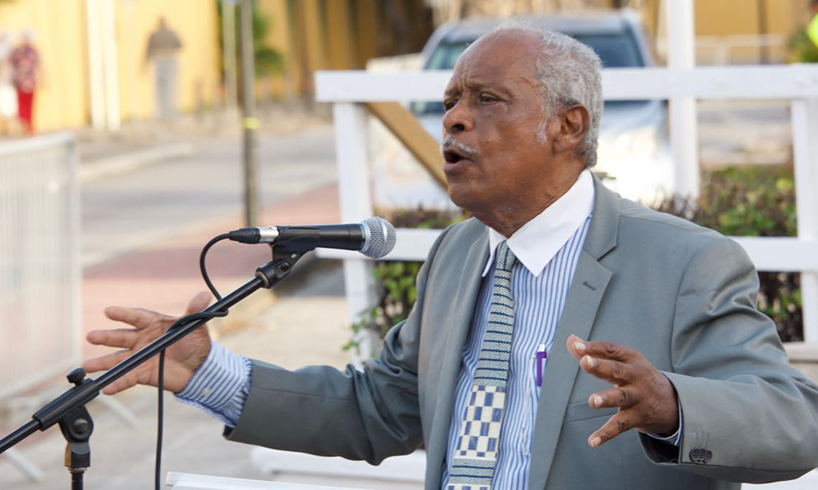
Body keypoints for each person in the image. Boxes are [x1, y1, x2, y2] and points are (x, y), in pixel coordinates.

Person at [82, 24, 818, 489]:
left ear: (569, 126)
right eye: (451, 99)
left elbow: (793, 422)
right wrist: (205, 372)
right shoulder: (459, 255)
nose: (455, 117)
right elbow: (381, 409)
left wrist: (673, 408)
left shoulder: (685, 263)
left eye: (488, 99)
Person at [144, 17, 183, 120]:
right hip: (167, 60)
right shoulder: (171, 33)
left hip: (161, 60)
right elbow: (180, 45)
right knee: (168, 87)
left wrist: (145, 63)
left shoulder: (156, 34)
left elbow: (148, 50)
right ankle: (166, 113)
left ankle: (165, 113)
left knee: (163, 88)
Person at [8, 30, 39, 135]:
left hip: (21, 81)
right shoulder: (32, 51)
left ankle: (25, 126)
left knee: (23, 105)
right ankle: (28, 127)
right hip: (27, 81)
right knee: (27, 105)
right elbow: (39, 64)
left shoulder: (18, 51)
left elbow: (10, 63)